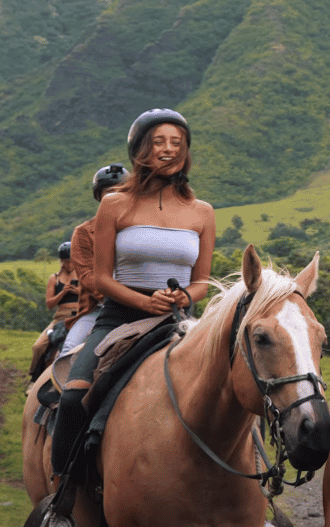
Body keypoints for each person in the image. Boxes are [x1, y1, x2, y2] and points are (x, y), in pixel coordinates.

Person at [50, 108, 216, 484]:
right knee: (75, 397)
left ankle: (256, 490)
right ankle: (61, 493)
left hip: (178, 320)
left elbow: (202, 282)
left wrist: (183, 299)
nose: (169, 149)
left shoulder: (202, 212)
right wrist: (142, 302)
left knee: (228, 389)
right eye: (159, 142)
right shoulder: (114, 205)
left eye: (177, 143)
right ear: (141, 150)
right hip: (119, 318)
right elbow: (103, 278)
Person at [59, 163, 130, 356]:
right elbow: (89, 278)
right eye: (110, 192)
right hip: (101, 310)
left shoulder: (140, 229)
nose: (116, 197)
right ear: (99, 196)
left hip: (148, 303)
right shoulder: (83, 233)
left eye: (121, 191)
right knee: (69, 349)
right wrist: (128, 299)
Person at [27, 243, 80, 384]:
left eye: (71, 261)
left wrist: (77, 291)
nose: (69, 265)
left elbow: (93, 295)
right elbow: (50, 304)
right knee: (38, 346)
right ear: (61, 261)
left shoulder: (83, 276)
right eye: (66, 262)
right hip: (61, 316)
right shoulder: (54, 278)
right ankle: (34, 378)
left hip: (81, 315)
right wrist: (63, 292)